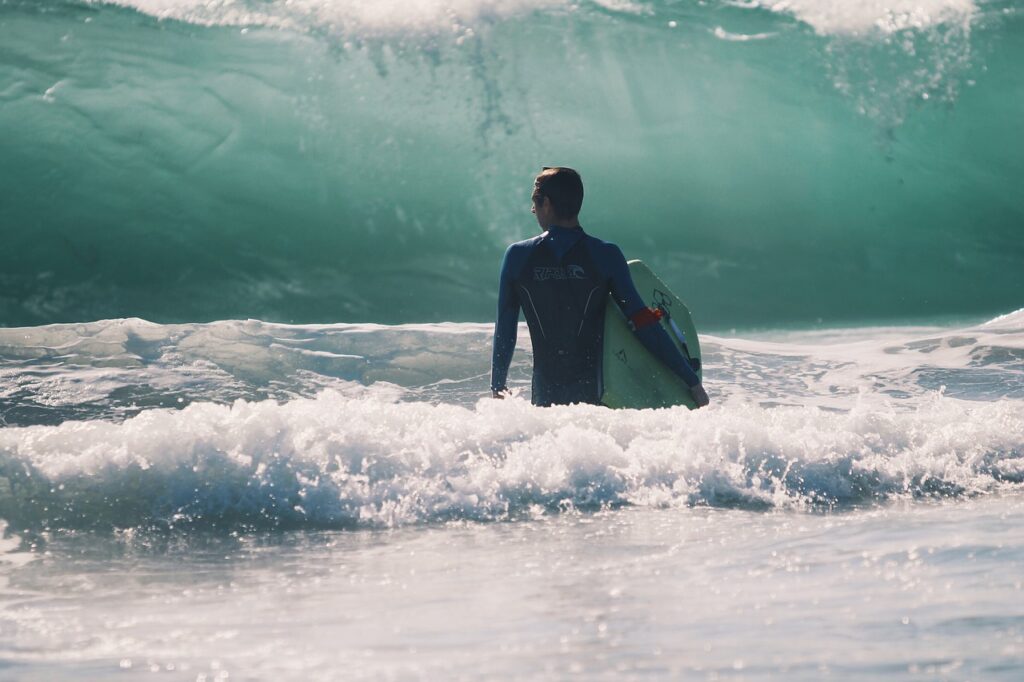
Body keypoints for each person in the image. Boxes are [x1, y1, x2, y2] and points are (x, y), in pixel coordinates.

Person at [490, 167, 710, 408]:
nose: (533, 210)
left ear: (547, 204)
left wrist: (498, 386)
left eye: (535, 202)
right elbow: (643, 322)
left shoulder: (518, 256)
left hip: (545, 402)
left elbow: (505, 331)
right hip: (598, 401)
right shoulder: (605, 255)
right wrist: (691, 381)